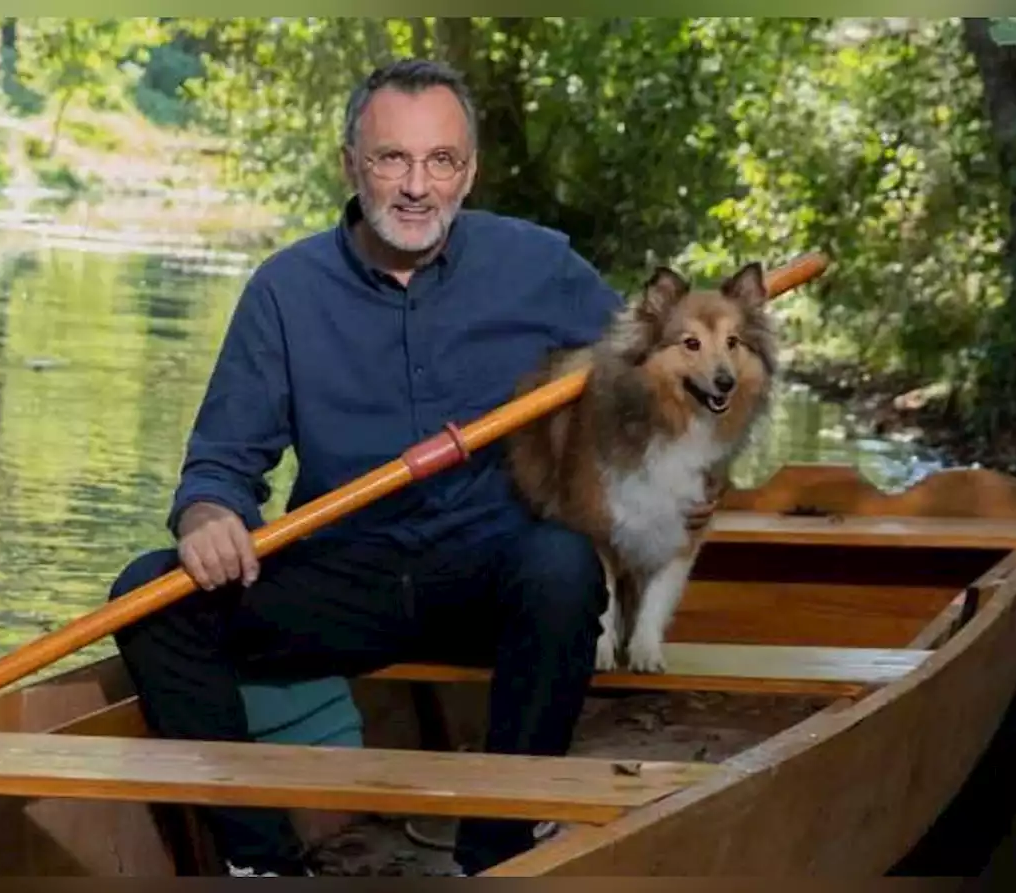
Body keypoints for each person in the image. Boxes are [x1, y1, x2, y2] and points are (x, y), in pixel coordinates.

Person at [108, 58, 705, 878]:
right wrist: (208, 517)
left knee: (562, 566)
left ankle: (498, 847)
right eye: (393, 158)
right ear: (351, 164)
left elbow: (652, 383)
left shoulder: (541, 266)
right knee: (150, 597)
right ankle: (262, 859)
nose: (418, 185)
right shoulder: (285, 291)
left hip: (491, 580)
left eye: (441, 161)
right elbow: (222, 463)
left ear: (470, 172)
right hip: (343, 573)